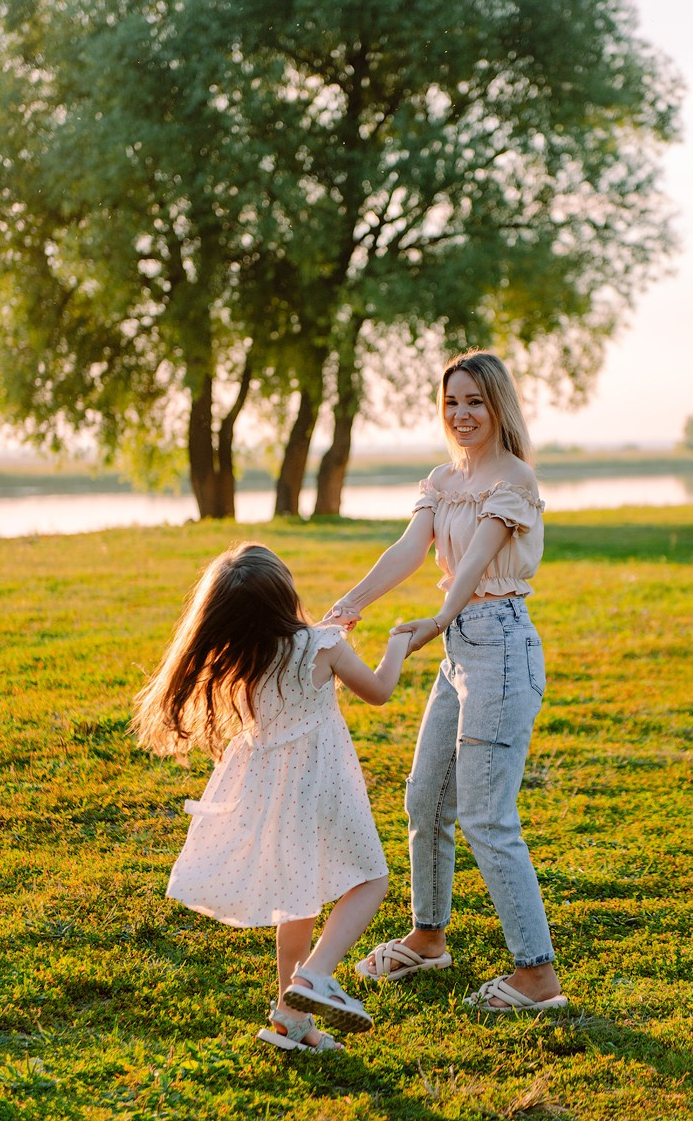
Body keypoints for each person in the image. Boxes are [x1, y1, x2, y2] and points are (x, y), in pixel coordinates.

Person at [327, 350, 567, 1013]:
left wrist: (436, 619)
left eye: (475, 403)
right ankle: (427, 937)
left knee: (488, 816)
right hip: (461, 654)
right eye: (452, 402)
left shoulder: (511, 477)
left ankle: (536, 977)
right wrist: (348, 606)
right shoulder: (442, 479)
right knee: (425, 799)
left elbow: (475, 565)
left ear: (497, 408)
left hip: (500, 646)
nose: (462, 415)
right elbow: (409, 550)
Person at [132, 542, 412, 1051]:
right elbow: (378, 690)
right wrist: (398, 644)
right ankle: (315, 977)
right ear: (286, 596)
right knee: (372, 879)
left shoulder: (237, 658)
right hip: (322, 786)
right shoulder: (322, 645)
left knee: (297, 901)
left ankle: (290, 1020)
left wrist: (331, 636)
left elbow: (290, 663)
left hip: (270, 795)